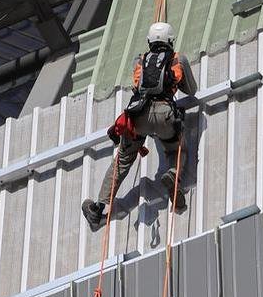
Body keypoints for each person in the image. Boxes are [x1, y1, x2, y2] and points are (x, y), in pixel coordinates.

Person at [82, 22, 197, 230]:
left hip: (138, 115)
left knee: (123, 160)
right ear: (171, 40)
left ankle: (98, 208)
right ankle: (172, 174)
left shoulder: (140, 60)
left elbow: (137, 86)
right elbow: (191, 90)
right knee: (176, 149)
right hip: (164, 115)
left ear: (149, 42)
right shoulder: (178, 59)